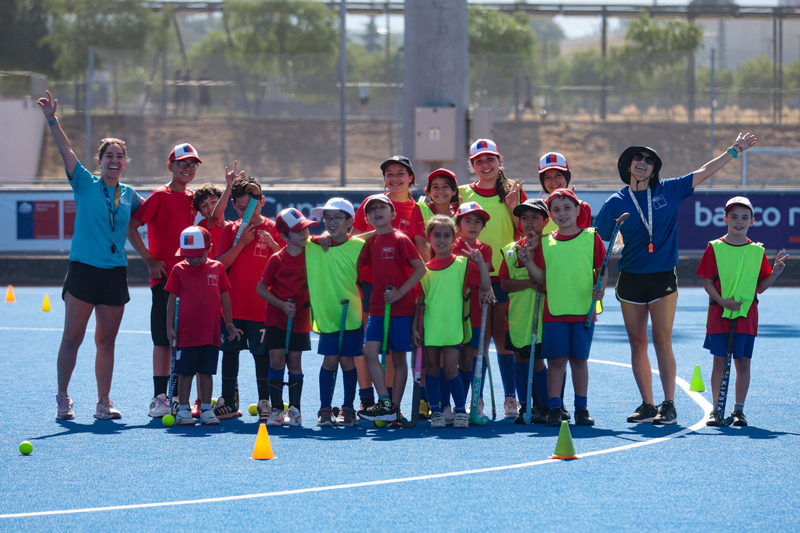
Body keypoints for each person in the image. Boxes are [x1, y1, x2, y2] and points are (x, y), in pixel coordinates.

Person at [594, 133, 758, 425]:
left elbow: (704, 171)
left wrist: (734, 150)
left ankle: (668, 404)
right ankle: (647, 404)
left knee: (661, 340)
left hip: (662, 278)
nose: (643, 163)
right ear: (628, 165)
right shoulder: (615, 202)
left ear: (655, 169)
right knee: (637, 343)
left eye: (649, 160)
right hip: (630, 278)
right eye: (638, 158)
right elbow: (597, 243)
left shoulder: (669, 190)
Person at [38, 90, 143, 421]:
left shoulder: (129, 194)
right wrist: (53, 118)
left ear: (125, 163)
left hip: (114, 272)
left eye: (120, 156)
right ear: (100, 161)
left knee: (107, 341)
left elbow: (162, 209)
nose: (115, 160)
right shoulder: (84, 182)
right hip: (84, 269)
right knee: (72, 338)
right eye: (109, 155)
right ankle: (62, 397)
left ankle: (103, 402)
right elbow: (65, 150)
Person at [518, 189, 607, 426]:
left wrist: (602, 288)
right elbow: (540, 277)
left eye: (567, 207)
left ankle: (581, 408)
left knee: (579, 361)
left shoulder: (591, 237)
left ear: (579, 210)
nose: (563, 213)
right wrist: (527, 262)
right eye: (556, 209)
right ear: (550, 215)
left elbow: (602, 269)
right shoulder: (546, 243)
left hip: (583, 312)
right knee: (556, 362)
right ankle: (554, 407)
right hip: (554, 312)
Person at [697, 197, 788, 427]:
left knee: (743, 362)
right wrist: (722, 301)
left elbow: (760, 287)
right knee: (719, 361)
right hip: (719, 313)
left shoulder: (756, 252)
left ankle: (739, 410)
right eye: (734, 216)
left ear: (752, 221)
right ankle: (716, 409)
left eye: (744, 217)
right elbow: (707, 282)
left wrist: (775, 273)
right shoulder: (714, 248)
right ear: (725, 218)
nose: (739, 221)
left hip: (747, 317)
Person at [128, 143, 200, 418]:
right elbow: (132, 227)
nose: (188, 169)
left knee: (190, 340)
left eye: (193, 164)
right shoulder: (159, 196)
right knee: (163, 339)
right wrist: (149, 259)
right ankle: (160, 397)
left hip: (193, 282)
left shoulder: (195, 199)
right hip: (165, 280)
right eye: (182, 163)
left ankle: (184, 397)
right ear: (170, 165)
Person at [351, 156, 427, 412]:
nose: (394, 178)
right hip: (372, 294)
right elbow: (354, 243)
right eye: (389, 174)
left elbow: (420, 258)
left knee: (397, 354)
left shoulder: (415, 211)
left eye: (400, 173)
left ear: (411, 178)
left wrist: (408, 291)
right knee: (368, 349)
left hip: (401, 297)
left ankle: (392, 404)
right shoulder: (372, 210)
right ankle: (371, 399)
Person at [459, 139, 526, 419]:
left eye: (490, 159)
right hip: (469, 278)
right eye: (479, 161)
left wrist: (513, 206)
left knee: (503, 340)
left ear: (499, 161)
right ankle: (478, 397)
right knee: (477, 342)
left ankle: (511, 398)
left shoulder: (513, 191)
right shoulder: (461, 193)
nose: (485, 165)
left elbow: (526, 228)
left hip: (504, 275)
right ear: (472, 165)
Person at [213, 174, 282, 420]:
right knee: (230, 353)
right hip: (233, 308)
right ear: (234, 206)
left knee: (261, 355)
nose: (247, 212)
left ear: (261, 201)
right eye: (241, 208)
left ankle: (265, 401)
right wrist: (240, 243)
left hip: (262, 309)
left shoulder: (274, 229)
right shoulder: (232, 230)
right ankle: (228, 401)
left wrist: (274, 246)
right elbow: (219, 265)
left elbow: (287, 262)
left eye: (251, 207)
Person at [415, 216, 491, 428]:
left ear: (454, 238)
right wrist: (416, 327)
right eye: (436, 235)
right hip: (431, 328)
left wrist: (479, 263)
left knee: (451, 369)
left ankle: (460, 410)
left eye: (446, 235)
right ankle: (436, 412)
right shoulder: (424, 270)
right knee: (431, 369)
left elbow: (485, 284)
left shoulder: (464, 264)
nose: (441, 239)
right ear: (429, 238)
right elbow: (420, 302)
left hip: (453, 328)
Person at [165, 226, 241, 426]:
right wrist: (168, 327)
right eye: (188, 256)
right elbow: (171, 299)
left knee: (207, 372)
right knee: (185, 373)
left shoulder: (217, 268)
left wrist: (230, 323)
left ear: (209, 248)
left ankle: (206, 408)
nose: (193, 260)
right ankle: (183, 409)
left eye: (198, 256)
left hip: (211, 333)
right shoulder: (179, 269)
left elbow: (225, 296)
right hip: (186, 333)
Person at [306, 198, 366, 427]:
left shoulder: (359, 247)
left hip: (351, 316)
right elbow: (294, 241)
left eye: (337, 217)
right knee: (330, 360)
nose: (331, 222)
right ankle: (324, 409)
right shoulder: (312, 245)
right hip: (327, 316)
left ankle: (348, 408)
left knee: (348, 361)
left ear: (350, 221)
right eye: (327, 218)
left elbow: (369, 240)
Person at [256, 208, 317, 427]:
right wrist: (281, 305)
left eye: (306, 229)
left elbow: (327, 239)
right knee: (277, 361)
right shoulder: (276, 259)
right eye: (298, 231)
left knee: (294, 362)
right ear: (283, 237)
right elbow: (261, 288)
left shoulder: (313, 252)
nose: (305, 234)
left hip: (300, 318)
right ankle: (276, 409)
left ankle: (295, 409)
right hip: (277, 317)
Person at [500, 199, 549, 424]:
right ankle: (525, 405)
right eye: (524, 218)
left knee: (537, 360)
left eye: (535, 217)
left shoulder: (550, 246)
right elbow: (504, 284)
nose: (529, 222)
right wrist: (529, 284)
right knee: (519, 358)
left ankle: (546, 406)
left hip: (541, 317)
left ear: (545, 221)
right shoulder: (511, 250)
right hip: (517, 317)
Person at [450, 202, 495, 420]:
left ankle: (467, 402)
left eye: (478, 221)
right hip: (449, 311)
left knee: (468, 357)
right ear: (458, 225)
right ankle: (445, 404)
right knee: (447, 358)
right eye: (468, 220)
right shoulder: (448, 245)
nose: (473, 225)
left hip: (475, 312)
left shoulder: (485, 249)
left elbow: (485, 282)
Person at [537, 152, 591, 236]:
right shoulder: (537, 210)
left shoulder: (582, 207)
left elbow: (585, 242)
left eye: (558, 175)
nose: (553, 181)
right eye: (547, 177)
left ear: (567, 176)